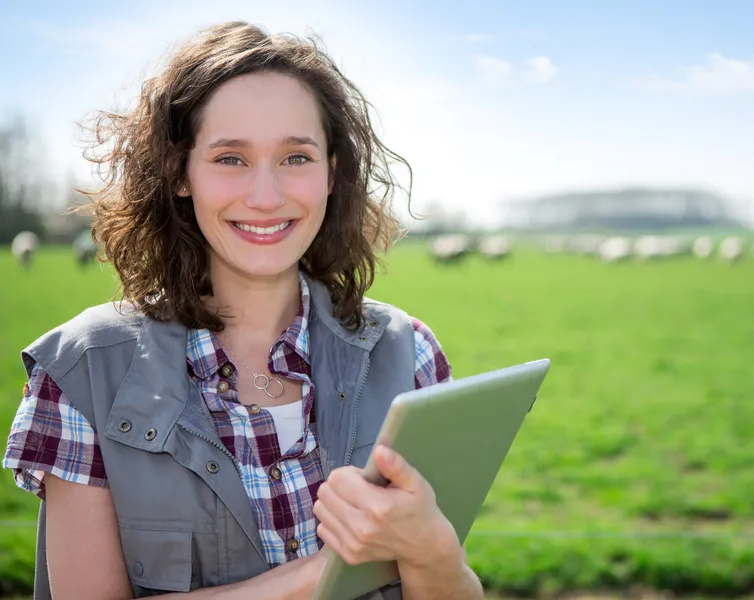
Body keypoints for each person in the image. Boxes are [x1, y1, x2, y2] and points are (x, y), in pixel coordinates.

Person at [3, 21, 484, 600]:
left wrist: (430, 547)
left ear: (332, 172)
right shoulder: (81, 373)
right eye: (230, 158)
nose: (265, 196)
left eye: (296, 157)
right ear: (180, 173)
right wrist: (321, 575)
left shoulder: (410, 355)